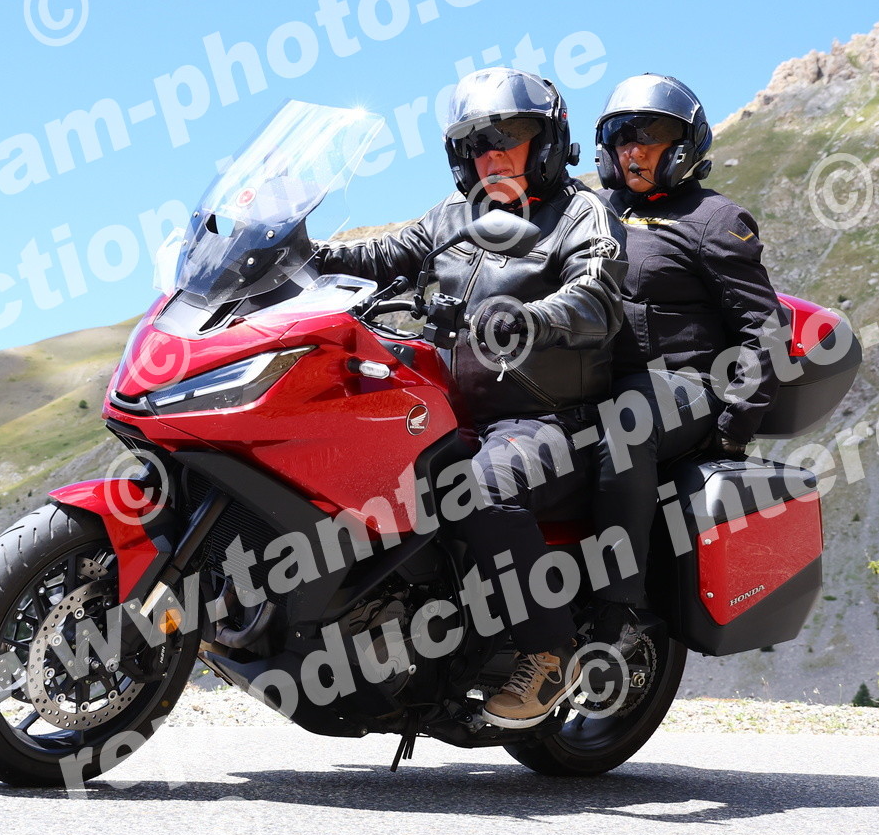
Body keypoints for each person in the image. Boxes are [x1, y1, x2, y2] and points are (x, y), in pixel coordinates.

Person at [312, 67, 627, 728]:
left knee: (478, 491)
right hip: (444, 406)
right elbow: (380, 256)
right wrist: (298, 253)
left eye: (507, 136)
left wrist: (530, 319)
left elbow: (596, 296)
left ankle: (549, 649)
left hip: (544, 418)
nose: (491, 154)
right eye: (476, 142)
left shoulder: (581, 214)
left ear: (547, 141)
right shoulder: (452, 219)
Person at [586, 73, 787, 661]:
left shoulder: (714, 219)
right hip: (599, 383)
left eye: (650, 135)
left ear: (684, 145)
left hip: (684, 387)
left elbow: (765, 328)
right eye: (622, 135)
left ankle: (618, 612)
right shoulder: (591, 212)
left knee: (626, 422)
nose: (633, 148)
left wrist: (733, 427)